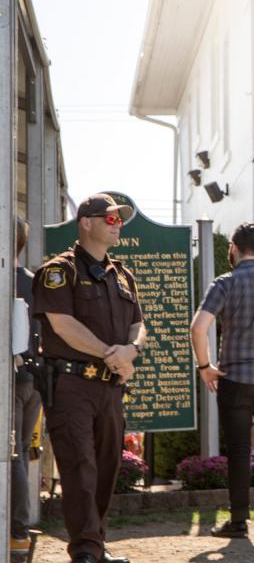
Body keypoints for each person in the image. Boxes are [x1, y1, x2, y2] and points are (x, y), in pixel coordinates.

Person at [32, 193, 144, 563]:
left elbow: (138, 326)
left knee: (107, 466)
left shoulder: (123, 274)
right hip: (72, 386)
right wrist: (111, 354)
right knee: (80, 466)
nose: (118, 225)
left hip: (110, 387)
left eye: (120, 220)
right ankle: (85, 550)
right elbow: (62, 325)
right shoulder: (59, 271)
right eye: (110, 219)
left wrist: (130, 352)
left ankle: (95, 544)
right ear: (86, 222)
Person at [190, 223, 254, 539]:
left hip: (235, 378)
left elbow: (198, 327)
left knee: (238, 452)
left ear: (232, 247)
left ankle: (239, 522)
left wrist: (205, 366)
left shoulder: (225, 283)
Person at [11, 218, 41, 557]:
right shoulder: (37, 283)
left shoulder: (7, 282)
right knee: (20, 452)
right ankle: (19, 529)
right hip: (36, 380)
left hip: (14, 379)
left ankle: (18, 531)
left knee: (14, 453)